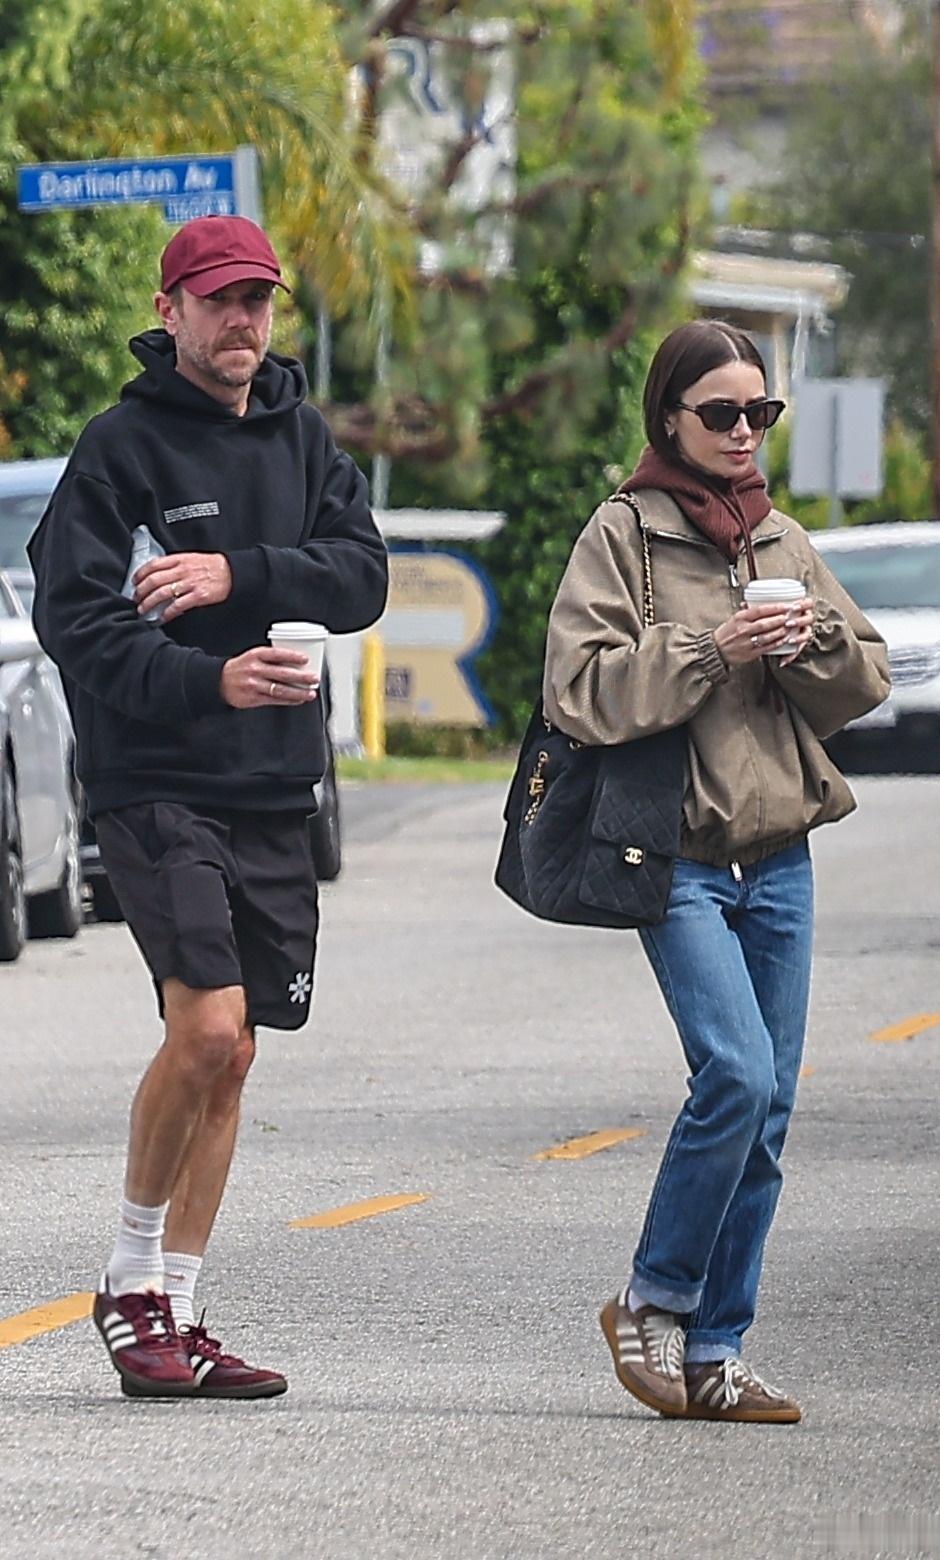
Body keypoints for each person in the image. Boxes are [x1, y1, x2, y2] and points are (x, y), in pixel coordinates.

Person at [29, 214, 388, 1400]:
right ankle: (129, 1285)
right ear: (170, 310)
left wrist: (244, 573)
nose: (243, 320)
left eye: (259, 300)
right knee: (207, 1030)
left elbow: (363, 576)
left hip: (274, 785)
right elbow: (74, 620)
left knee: (236, 1058)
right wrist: (207, 680)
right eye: (220, 299)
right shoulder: (119, 449)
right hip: (156, 780)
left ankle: (179, 1312)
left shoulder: (303, 438)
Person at [542, 320, 890, 1424]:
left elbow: (867, 677)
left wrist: (808, 642)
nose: (744, 433)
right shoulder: (625, 535)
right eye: (722, 414)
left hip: (779, 855)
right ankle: (652, 1298)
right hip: (680, 853)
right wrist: (711, 650)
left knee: (770, 1110)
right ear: (670, 419)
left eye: (760, 413)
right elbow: (578, 690)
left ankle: (717, 1350)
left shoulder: (780, 538)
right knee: (734, 1074)